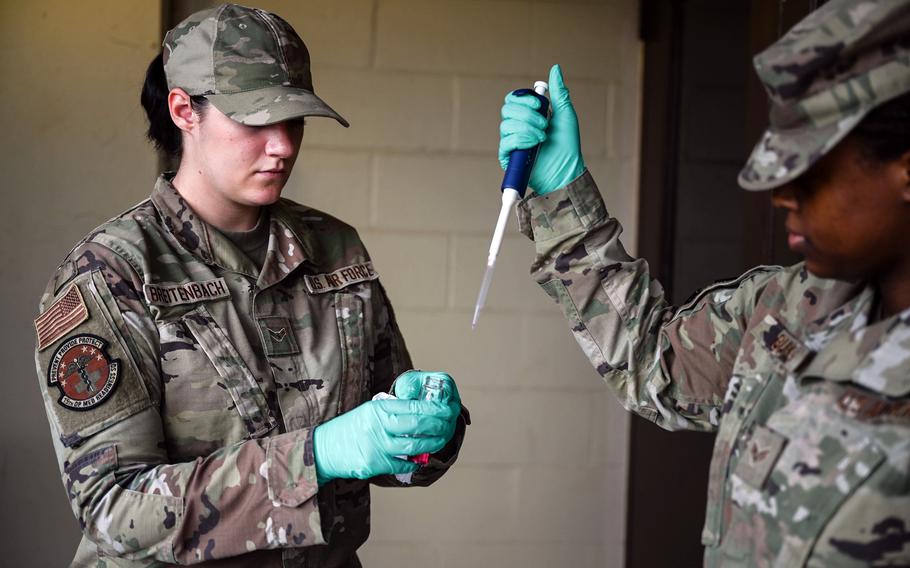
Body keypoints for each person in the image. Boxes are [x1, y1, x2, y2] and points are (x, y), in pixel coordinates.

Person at [33, 4, 467, 567]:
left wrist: (428, 432)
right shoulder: (113, 274)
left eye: (295, 122)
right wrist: (319, 454)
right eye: (257, 121)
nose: (283, 146)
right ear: (184, 110)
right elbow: (114, 510)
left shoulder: (336, 250)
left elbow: (388, 449)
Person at [498, 0, 909, 565]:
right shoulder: (787, 308)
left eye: (811, 169)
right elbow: (649, 363)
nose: (783, 194)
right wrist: (561, 198)